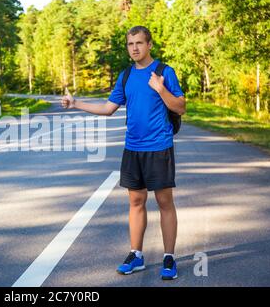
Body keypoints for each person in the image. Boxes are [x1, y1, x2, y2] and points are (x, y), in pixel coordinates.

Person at [61, 26, 186, 280]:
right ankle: (136, 254)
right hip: (133, 149)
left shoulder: (164, 72)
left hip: (159, 148)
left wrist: (161, 89)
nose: (135, 48)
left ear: (149, 45)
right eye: (130, 44)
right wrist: (75, 104)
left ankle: (169, 258)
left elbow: (181, 107)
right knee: (135, 202)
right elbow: (108, 108)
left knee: (164, 203)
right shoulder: (126, 75)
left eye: (139, 43)